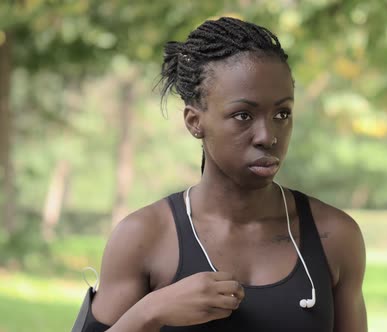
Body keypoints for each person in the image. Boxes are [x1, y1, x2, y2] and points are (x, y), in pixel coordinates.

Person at [79, 16, 367, 332]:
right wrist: (151, 311)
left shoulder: (335, 236)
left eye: (282, 113)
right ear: (194, 122)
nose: (267, 136)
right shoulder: (143, 237)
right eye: (243, 115)